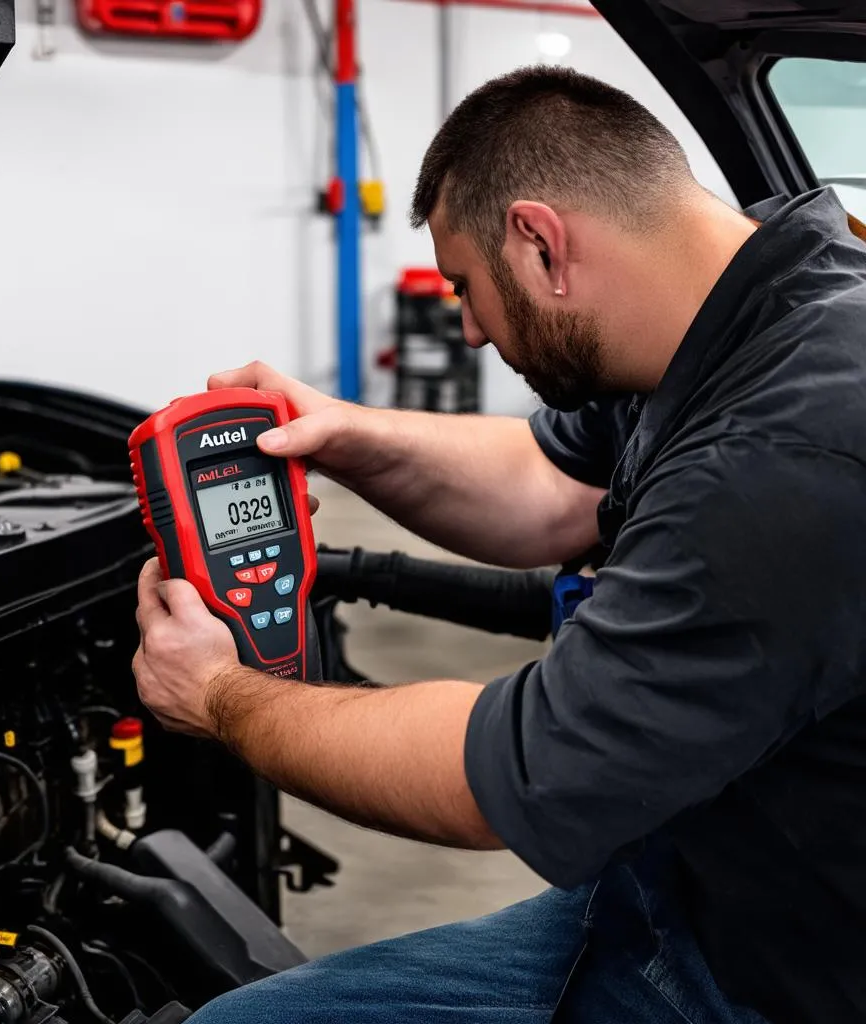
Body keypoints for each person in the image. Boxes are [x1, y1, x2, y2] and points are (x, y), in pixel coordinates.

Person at [131, 65, 866, 1024]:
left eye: (467, 288)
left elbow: (521, 774)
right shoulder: (736, 296)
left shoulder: (786, 447)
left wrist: (222, 696)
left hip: (772, 980)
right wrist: (341, 434)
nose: (469, 330)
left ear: (540, 241)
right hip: (683, 879)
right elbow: (548, 487)